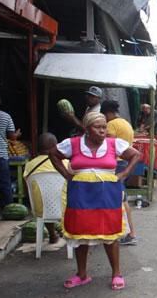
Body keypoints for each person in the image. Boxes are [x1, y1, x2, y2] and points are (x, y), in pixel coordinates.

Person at [49, 112, 140, 290]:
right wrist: (66, 174)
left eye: (104, 127)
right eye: (98, 127)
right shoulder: (73, 144)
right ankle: (81, 274)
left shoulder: (114, 144)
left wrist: (124, 174)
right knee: (80, 234)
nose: (103, 131)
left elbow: (135, 155)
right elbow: (53, 154)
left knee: (110, 234)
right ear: (87, 129)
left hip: (108, 195)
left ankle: (116, 274)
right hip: (80, 196)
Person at [100, 101, 138, 246]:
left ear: (108, 113)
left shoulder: (112, 125)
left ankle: (128, 233)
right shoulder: (126, 123)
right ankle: (127, 232)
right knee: (122, 197)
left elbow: (107, 144)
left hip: (116, 163)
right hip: (124, 162)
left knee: (120, 199)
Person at [24, 133, 68, 246]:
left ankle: (52, 235)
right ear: (56, 146)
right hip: (66, 209)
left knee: (45, 200)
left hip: (41, 209)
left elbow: (27, 188)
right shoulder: (65, 163)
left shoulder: (29, 165)